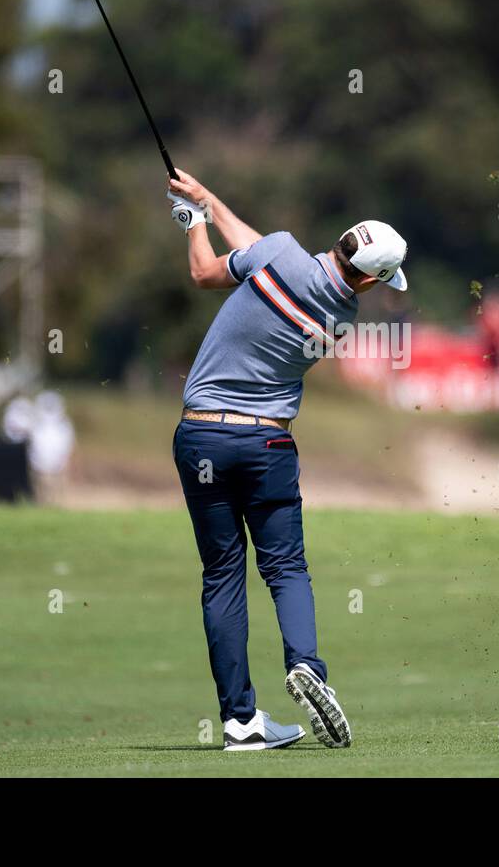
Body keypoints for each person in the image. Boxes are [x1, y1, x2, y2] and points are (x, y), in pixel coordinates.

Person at [166, 168, 408, 751]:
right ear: (370, 281)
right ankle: (307, 666)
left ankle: (240, 723)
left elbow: (209, 269)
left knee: (222, 575)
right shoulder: (340, 317)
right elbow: (256, 252)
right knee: (286, 569)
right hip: (268, 445)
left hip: (200, 437)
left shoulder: (280, 252)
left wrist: (194, 221)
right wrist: (207, 201)